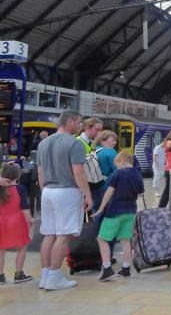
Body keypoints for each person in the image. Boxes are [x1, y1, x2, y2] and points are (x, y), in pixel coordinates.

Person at [37, 110, 92, 291]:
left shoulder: (44, 143)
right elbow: (78, 172)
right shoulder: (75, 144)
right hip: (67, 191)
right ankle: (54, 276)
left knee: (49, 234)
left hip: (47, 191)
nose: (80, 126)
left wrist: (44, 191)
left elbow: (40, 172)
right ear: (70, 122)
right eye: (79, 122)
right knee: (64, 235)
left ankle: (45, 275)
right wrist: (87, 195)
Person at [92, 152, 144, 281]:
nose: (117, 167)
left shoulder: (119, 173)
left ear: (122, 160)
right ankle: (126, 269)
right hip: (131, 210)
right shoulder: (137, 174)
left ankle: (107, 268)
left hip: (115, 211)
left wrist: (101, 208)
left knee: (102, 239)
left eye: (117, 164)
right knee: (126, 240)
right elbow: (141, 193)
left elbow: (109, 192)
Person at [0, 163, 34, 284]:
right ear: (18, 175)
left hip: (1, 221)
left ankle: (0, 277)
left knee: (1, 250)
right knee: (21, 248)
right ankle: (19, 274)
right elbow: (24, 207)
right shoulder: (21, 189)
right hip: (17, 221)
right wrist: (30, 220)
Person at [77, 118, 103, 210]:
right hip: (82, 186)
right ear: (88, 127)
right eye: (97, 129)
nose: (99, 133)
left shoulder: (91, 143)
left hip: (91, 184)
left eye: (100, 130)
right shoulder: (78, 142)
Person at [92, 130, 118, 211]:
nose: (115, 143)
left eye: (115, 140)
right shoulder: (110, 152)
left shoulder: (94, 150)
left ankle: (96, 223)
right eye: (112, 140)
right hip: (107, 187)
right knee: (109, 210)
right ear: (102, 141)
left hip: (94, 185)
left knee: (96, 209)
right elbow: (119, 170)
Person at [152, 137, 167, 202]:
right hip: (157, 166)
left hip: (164, 166)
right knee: (157, 179)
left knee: (164, 179)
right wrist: (157, 165)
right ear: (164, 141)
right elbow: (154, 157)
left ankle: (163, 191)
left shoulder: (165, 148)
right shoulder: (157, 148)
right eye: (166, 143)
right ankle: (156, 192)